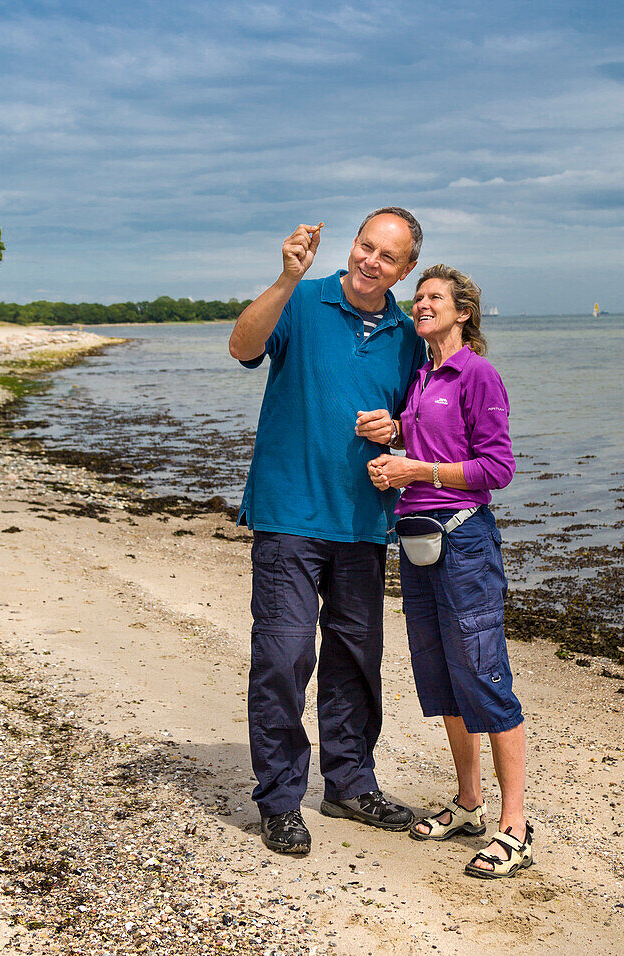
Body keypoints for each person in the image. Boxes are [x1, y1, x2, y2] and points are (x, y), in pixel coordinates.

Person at [229, 208, 427, 855]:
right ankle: (281, 800)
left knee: (354, 662)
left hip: (363, 523)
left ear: (406, 269)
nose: (371, 262)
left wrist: (395, 432)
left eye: (387, 256)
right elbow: (242, 346)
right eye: (365, 247)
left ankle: (348, 784)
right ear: (353, 245)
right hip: (288, 512)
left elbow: (417, 426)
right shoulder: (302, 298)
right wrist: (285, 277)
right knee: (283, 658)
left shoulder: (407, 337)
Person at [366, 264, 533, 879]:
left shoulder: (477, 373)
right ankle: (469, 804)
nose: (422, 305)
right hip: (416, 544)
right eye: (419, 298)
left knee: (484, 676)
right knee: (441, 679)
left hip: (464, 543)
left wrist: (418, 472)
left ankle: (515, 826)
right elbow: (425, 452)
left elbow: (496, 469)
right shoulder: (420, 377)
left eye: (434, 297)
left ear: (463, 311)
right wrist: (391, 450)